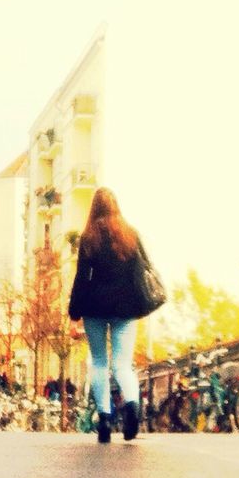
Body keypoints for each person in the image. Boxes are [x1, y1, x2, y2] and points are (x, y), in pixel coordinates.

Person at [67, 187, 159, 444]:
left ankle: (105, 419)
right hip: (125, 309)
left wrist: (74, 312)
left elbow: (82, 278)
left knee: (98, 362)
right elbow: (141, 270)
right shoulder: (131, 235)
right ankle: (132, 409)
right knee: (122, 364)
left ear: (93, 209)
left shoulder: (88, 238)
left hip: (95, 307)